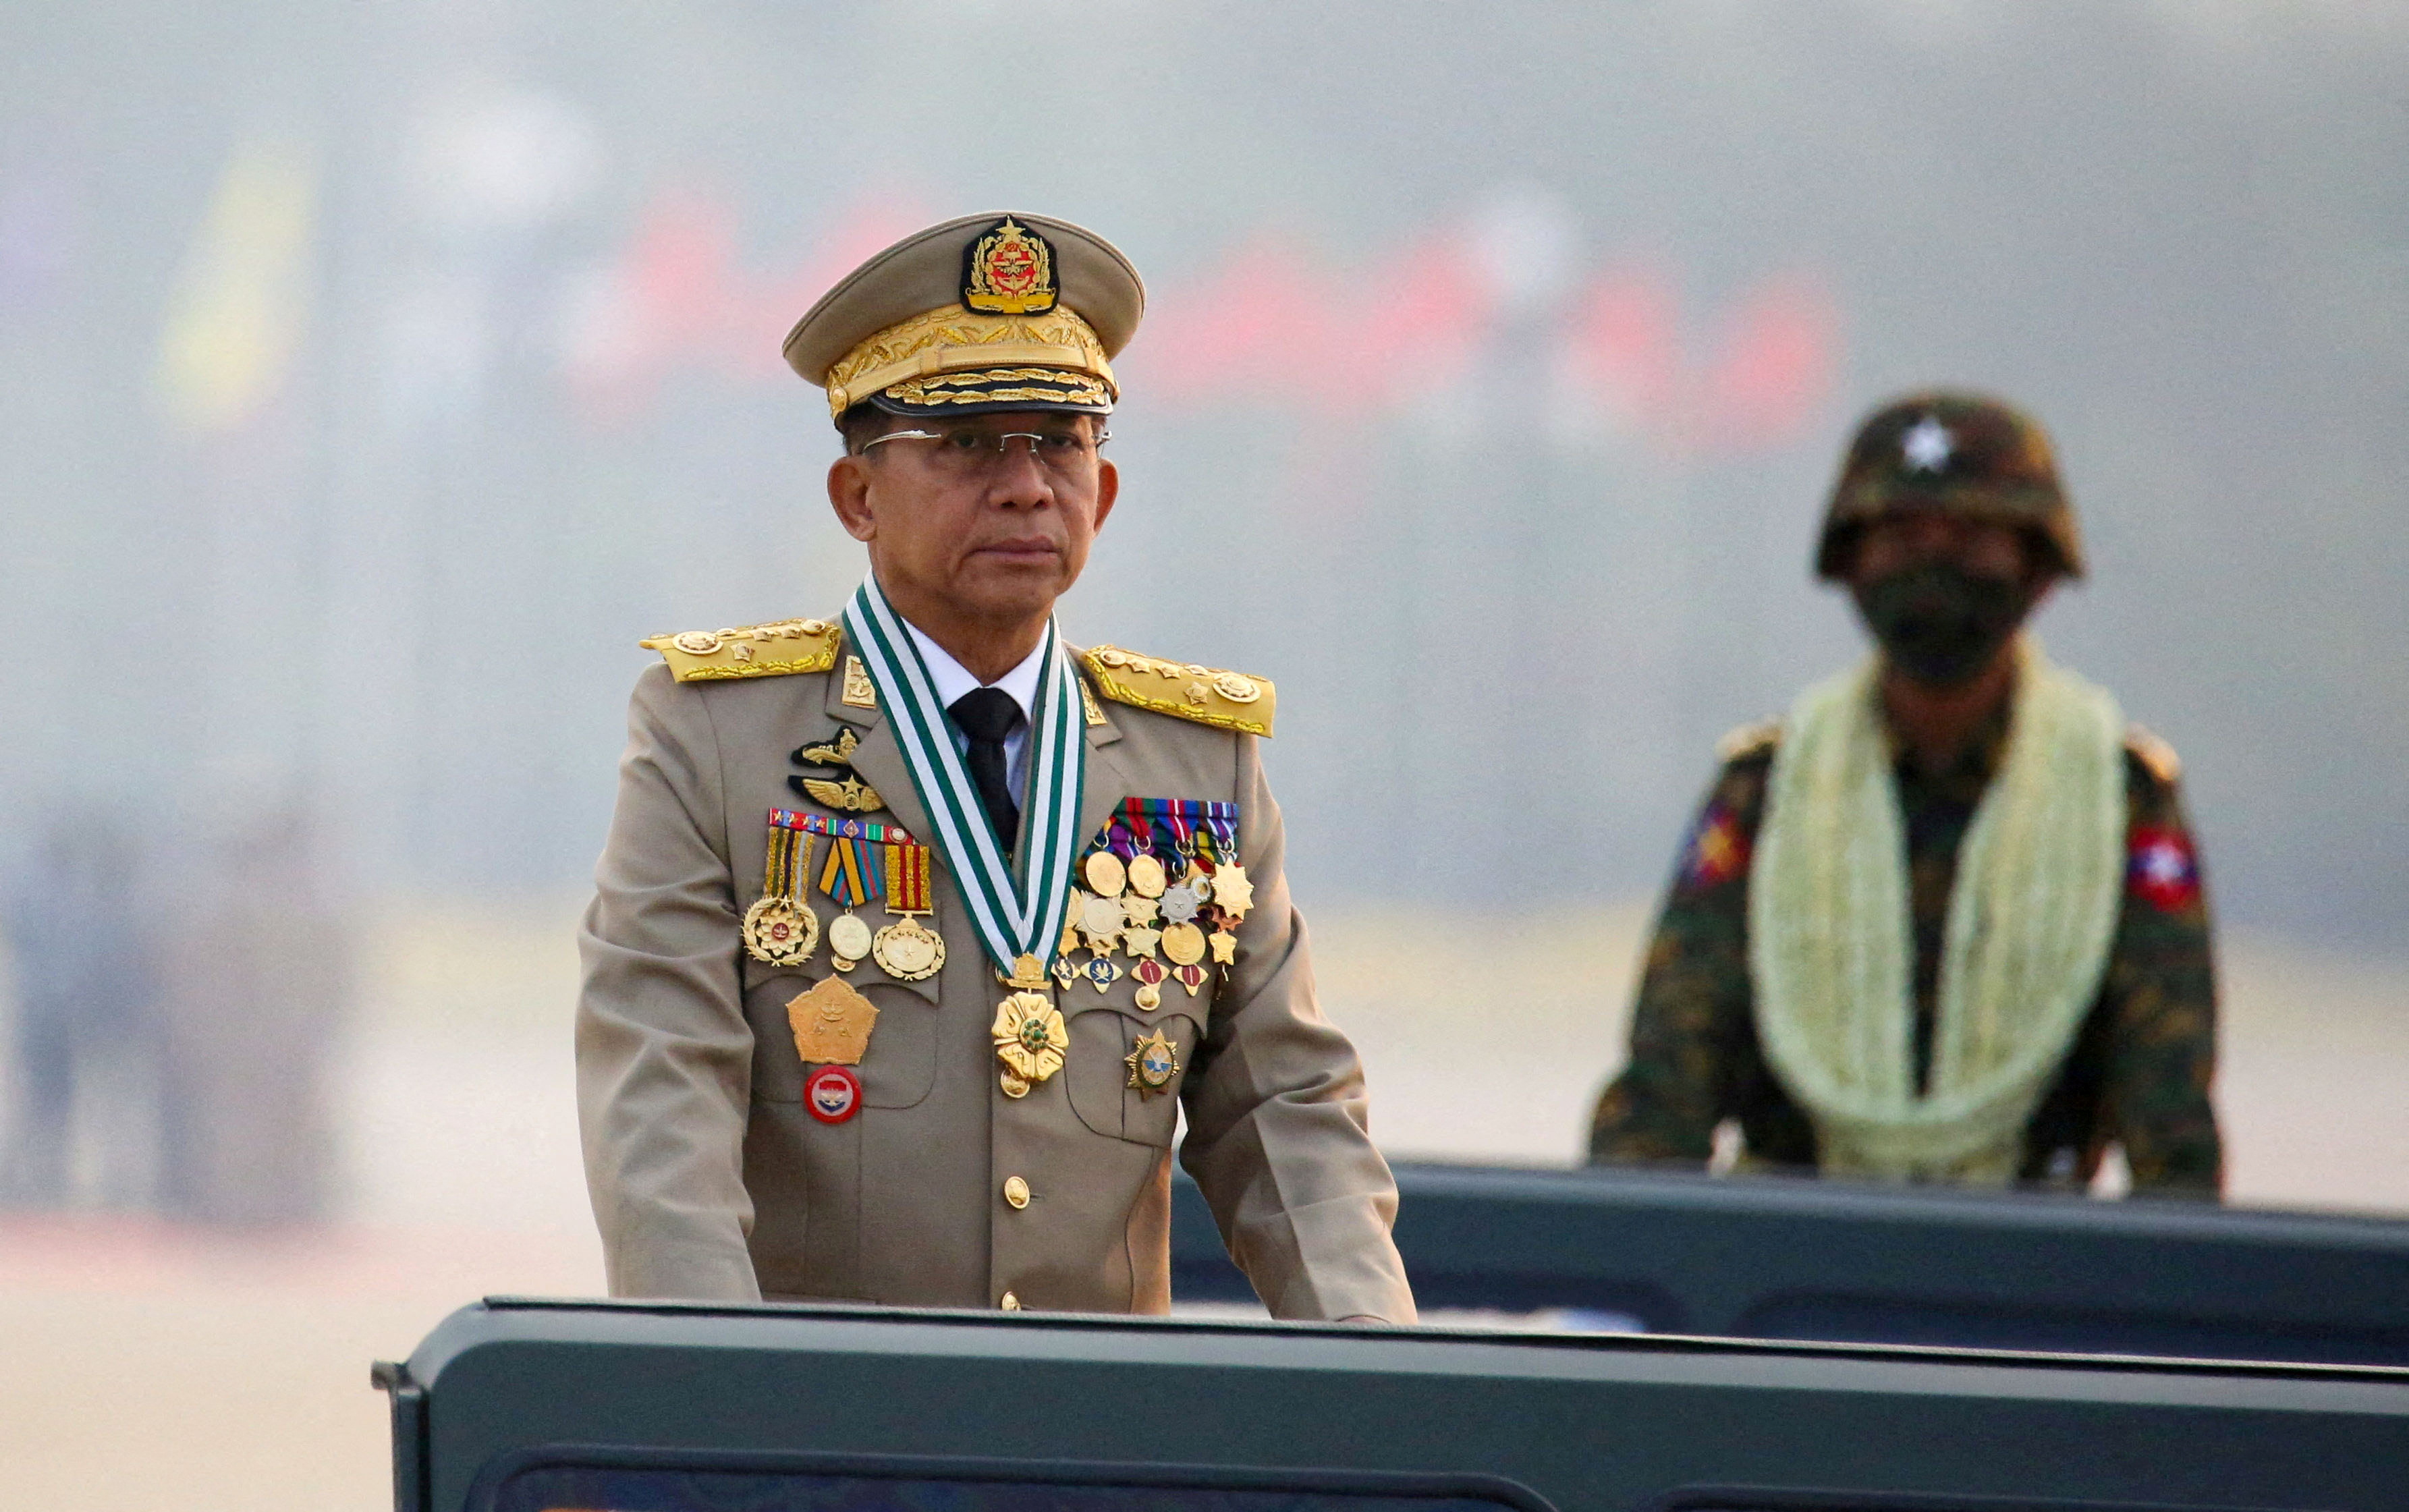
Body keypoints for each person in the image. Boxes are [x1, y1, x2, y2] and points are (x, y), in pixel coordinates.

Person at [578, 213, 1416, 1319]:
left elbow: (1286, 1114)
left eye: (1061, 442)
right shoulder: (720, 740)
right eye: (969, 442)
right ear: (859, 499)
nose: (1027, 486)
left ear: (1102, 498)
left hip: (1098, 1447)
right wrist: (729, 1406)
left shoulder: (1197, 760)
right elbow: (663, 1111)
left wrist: (1375, 1385)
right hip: (829, 1438)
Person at [1588, 392, 2221, 1196]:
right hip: (1784, 1270)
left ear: (2037, 568)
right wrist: (1625, 1284)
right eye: (1902, 538)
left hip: (2031, 1271)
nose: (1933, 565)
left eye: (1971, 540)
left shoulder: (2118, 801)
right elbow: (1669, 1081)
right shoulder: (1770, 791)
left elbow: (2169, 1111)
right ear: (1852, 562)